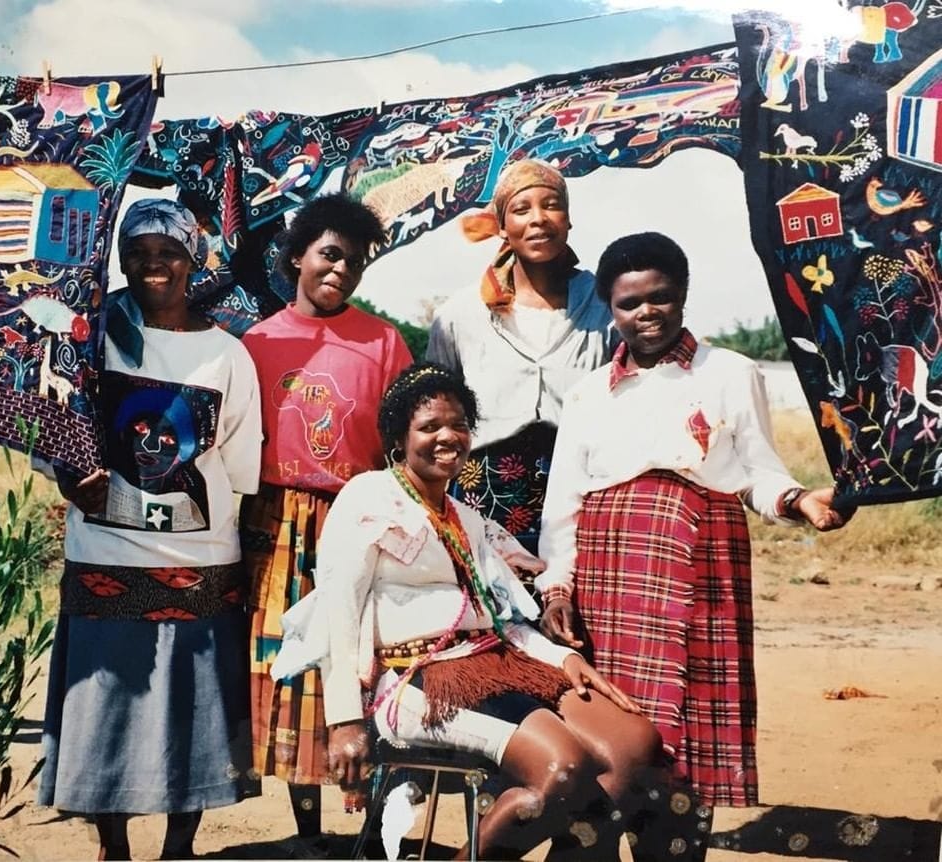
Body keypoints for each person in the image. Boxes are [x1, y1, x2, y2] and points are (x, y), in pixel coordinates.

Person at [278, 362, 684, 861]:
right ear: (399, 439)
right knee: (562, 771)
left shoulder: (467, 519)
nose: (447, 436)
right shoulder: (367, 496)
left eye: (458, 425)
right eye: (429, 426)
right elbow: (338, 608)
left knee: (635, 744)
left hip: (495, 663)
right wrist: (343, 720)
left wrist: (563, 658)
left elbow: (499, 616)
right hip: (414, 680)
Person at [538, 232, 849, 819]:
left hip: (702, 573)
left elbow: (758, 474)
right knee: (613, 737)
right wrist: (558, 588)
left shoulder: (730, 372)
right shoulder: (586, 396)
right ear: (610, 308)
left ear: (682, 293)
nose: (647, 312)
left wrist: (798, 501)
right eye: (629, 303)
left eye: (660, 296)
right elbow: (563, 507)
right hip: (610, 584)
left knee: (687, 755)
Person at [37, 198, 262, 860]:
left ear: (194, 261)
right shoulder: (88, 341)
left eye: (168, 252)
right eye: (137, 251)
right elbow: (51, 423)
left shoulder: (228, 354)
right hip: (104, 552)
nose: (152, 264)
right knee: (104, 708)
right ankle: (114, 846)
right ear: (120, 259)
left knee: (193, 711)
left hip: (200, 561)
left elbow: (239, 465)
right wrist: (66, 476)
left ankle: (179, 848)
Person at [239, 193, 413, 840]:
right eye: (330, 255)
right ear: (297, 258)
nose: (341, 270)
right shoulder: (256, 342)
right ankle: (308, 834)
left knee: (361, 663)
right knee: (293, 671)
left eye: (355, 262)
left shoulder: (384, 342)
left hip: (355, 518)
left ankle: (375, 833)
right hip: (274, 520)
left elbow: (403, 441)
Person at [426, 158, 615, 556]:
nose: (538, 219)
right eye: (521, 209)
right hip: (485, 491)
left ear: (568, 220)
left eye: (552, 205)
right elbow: (435, 412)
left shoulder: (606, 305)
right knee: (491, 594)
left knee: (576, 590)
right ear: (501, 225)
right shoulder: (460, 314)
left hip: (584, 486)